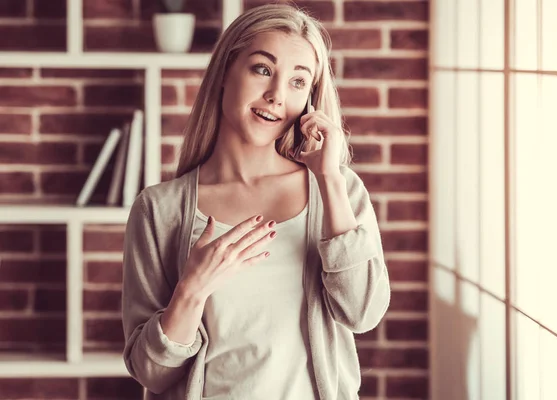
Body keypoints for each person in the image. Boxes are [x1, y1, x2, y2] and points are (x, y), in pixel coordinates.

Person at [121, 4, 390, 399]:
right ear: (226, 72)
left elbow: (363, 313)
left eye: (299, 82)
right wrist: (193, 288)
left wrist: (329, 178)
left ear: (311, 99)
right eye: (262, 69)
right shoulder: (159, 210)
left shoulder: (338, 190)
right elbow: (150, 373)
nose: (276, 96)